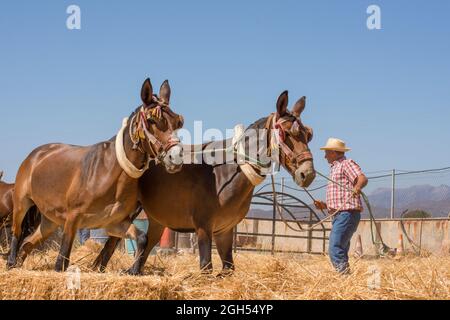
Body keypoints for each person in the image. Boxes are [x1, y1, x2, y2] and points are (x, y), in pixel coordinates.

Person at [314, 138, 368, 274]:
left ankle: (344, 277)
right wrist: (325, 205)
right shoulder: (335, 168)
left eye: (326, 152)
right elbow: (341, 198)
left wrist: (357, 187)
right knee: (340, 248)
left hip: (346, 214)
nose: (325, 156)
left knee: (335, 247)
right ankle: (345, 276)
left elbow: (362, 178)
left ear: (333, 152)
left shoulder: (345, 164)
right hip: (342, 214)